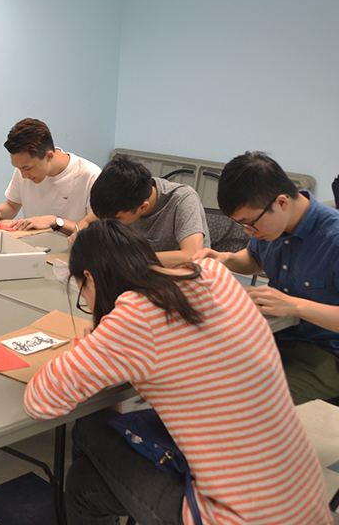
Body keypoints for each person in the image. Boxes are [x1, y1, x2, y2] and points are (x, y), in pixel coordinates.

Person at [24, 220, 331, 525]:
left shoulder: (135, 315)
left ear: (89, 277)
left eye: (82, 290)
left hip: (233, 517)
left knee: (90, 426)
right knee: (83, 483)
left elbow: (41, 400)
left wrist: (95, 343)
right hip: (306, 502)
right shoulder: (216, 275)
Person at [193, 151, 339, 405]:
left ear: (282, 202)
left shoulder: (333, 238)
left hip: (326, 354)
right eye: (242, 225)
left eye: (251, 223)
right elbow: (255, 260)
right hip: (274, 337)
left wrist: (293, 305)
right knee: (200, 378)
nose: (250, 232)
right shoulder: (269, 228)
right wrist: (225, 259)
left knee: (247, 402)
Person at [76, 154, 210, 267]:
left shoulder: (182, 199)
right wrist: (79, 236)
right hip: (140, 273)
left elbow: (192, 255)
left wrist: (127, 259)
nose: (108, 222)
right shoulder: (119, 200)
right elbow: (86, 222)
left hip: (179, 278)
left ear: (142, 208)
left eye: (115, 219)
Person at [0, 118, 100, 235]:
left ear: (49, 157)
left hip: (72, 251)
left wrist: (55, 221)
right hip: (33, 247)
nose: (23, 175)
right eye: (18, 168)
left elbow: (97, 232)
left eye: (27, 168)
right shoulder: (24, 170)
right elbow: (12, 206)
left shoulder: (91, 176)